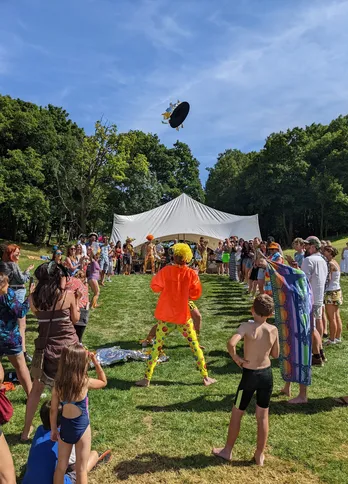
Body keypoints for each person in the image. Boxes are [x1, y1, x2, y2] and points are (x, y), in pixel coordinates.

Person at [136, 243, 216, 388]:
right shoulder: (191, 274)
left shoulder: (166, 271)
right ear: (187, 258)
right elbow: (195, 293)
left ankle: (146, 379)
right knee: (195, 346)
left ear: (174, 256)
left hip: (166, 317)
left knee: (156, 347)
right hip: (183, 317)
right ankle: (205, 377)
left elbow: (155, 286)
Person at [212, 295, 279, 466]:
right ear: (270, 313)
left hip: (249, 377)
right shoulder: (273, 329)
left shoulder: (246, 327)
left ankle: (227, 450)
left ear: (252, 309)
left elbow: (231, 342)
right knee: (263, 416)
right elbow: (276, 354)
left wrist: (236, 358)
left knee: (237, 413)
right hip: (266, 375)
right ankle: (259, 454)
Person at [21, 262, 80, 441]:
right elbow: (76, 319)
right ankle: (72, 430)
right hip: (68, 349)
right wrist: (76, 300)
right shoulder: (67, 296)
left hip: (44, 349)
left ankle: (25, 432)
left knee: (36, 390)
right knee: (73, 389)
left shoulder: (33, 298)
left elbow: (37, 315)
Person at [51, 344, 107, 484]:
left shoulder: (58, 385)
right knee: (81, 469)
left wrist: (53, 429)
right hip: (82, 428)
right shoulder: (84, 382)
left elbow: (53, 410)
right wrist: (96, 362)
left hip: (65, 428)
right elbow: (103, 382)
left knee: (61, 467)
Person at [23, 400, 111, 484]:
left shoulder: (39, 430)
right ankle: (95, 459)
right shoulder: (64, 437)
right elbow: (74, 461)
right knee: (90, 457)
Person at [0, 273, 33, 398]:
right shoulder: (7, 295)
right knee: (21, 366)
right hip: (9, 337)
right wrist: (30, 297)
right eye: (7, 283)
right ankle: (31, 395)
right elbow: (20, 311)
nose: (9, 285)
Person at [0, 244, 34, 362]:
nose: (19, 254)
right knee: (21, 325)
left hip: (7, 296)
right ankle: (22, 353)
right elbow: (22, 279)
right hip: (16, 295)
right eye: (16, 252)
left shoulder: (3, 265)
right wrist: (28, 272)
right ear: (10, 254)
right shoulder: (13, 265)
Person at [302, 236, 328, 366]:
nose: (305, 248)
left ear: (312, 247)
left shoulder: (308, 260)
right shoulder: (323, 260)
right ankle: (320, 352)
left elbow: (303, 280)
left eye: (307, 246)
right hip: (318, 297)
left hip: (310, 298)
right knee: (315, 325)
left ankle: (316, 356)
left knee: (311, 328)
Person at [323, 246, 343, 345]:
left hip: (330, 292)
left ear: (329, 252)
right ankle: (337, 337)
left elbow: (328, 279)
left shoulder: (330, 264)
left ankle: (331, 339)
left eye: (324, 251)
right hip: (337, 290)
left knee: (331, 318)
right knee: (337, 315)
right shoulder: (336, 262)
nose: (323, 253)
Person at [66, 271, 90, 343]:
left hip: (71, 311)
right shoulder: (84, 287)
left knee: (69, 337)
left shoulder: (69, 282)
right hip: (83, 312)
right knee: (79, 339)